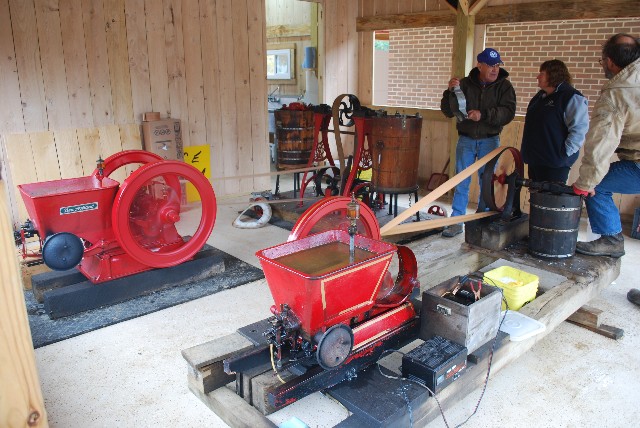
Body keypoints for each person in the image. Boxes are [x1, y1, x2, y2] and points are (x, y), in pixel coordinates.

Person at [570, 34, 640, 306]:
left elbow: (601, 144)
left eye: (601, 60)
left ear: (610, 62)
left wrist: (585, 183)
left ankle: (611, 238)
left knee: (599, 186)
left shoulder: (618, 90)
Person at [440, 48, 516, 237]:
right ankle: (456, 221)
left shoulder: (504, 87)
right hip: (466, 139)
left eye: (497, 65)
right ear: (479, 65)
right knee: (461, 181)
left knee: (487, 181)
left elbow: (508, 112)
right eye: (490, 65)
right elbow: (448, 111)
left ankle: (482, 220)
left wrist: (484, 115)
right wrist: (449, 91)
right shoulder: (464, 84)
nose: (495, 69)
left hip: (490, 141)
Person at [521, 60, 589, 183]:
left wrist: (563, 154)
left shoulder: (571, 98)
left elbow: (579, 130)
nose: (538, 77)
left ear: (553, 75)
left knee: (551, 200)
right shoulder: (539, 97)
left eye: (542, 73)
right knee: (536, 199)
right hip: (535, 160)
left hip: (555, 164)